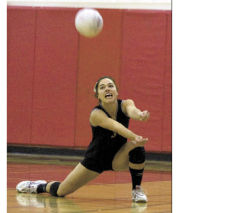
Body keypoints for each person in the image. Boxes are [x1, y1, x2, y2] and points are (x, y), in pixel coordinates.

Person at [16, 76, 150, 203]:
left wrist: (140, 115)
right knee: (61, 191)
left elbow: (133, 110)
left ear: (116, 91)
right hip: (96, 159)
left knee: (137, 147)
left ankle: (136, 189)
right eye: (102, 87)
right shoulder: (96, 114)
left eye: (110, 86)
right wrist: (134, 136)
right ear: (97, 95)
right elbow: (116, 126)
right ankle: (39, 186)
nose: (107, 89)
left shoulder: (126, 104)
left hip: (117, 157)